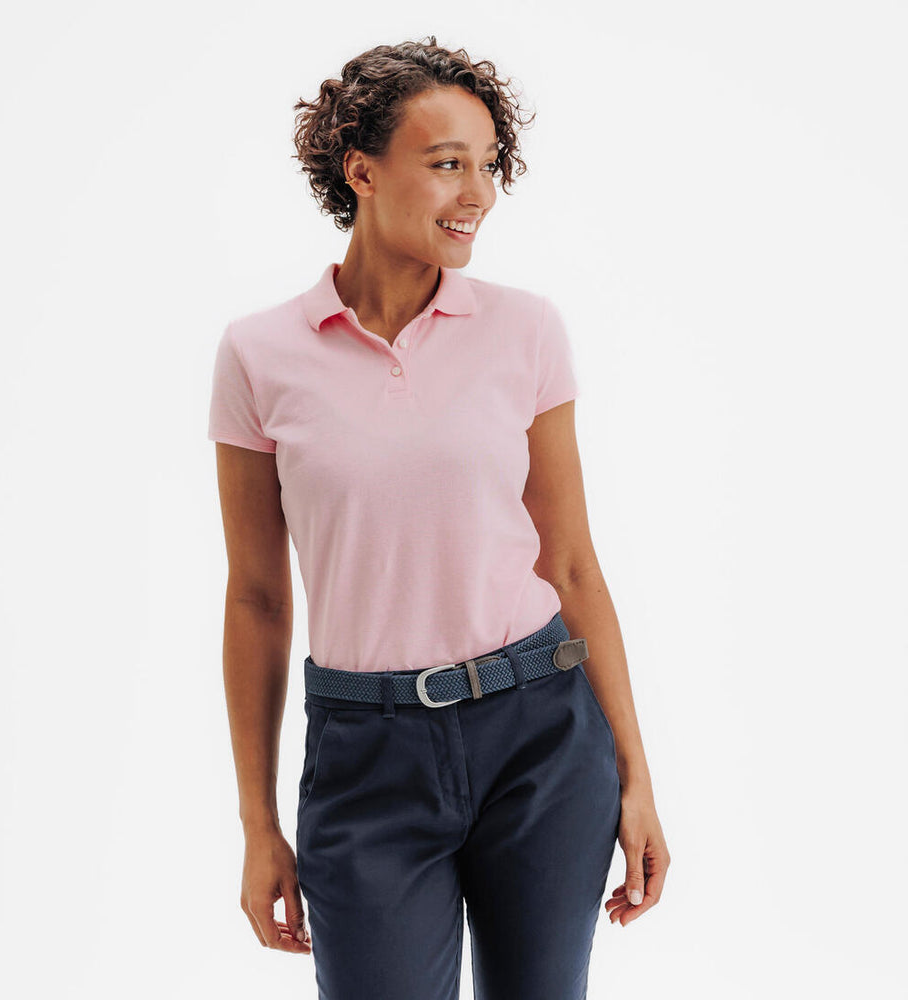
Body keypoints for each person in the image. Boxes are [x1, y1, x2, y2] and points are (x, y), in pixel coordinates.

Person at [207, 36, 670, 1000]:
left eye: (488, 164)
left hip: (540, 736)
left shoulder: (525, 329)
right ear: (362, 172)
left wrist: (637, 776)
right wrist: (258, 825)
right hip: (364, 755)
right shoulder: (259, 356)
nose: (479, 194)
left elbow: (572, 564)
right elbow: (256, 598)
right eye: (448, 163)